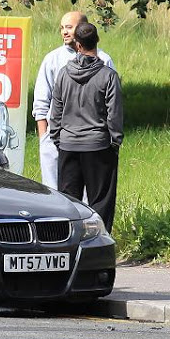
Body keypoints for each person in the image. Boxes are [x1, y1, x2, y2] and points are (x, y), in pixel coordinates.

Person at [49, 22, 123, 233]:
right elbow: (114, 114)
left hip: (68, 145)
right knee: (101, 201)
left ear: (77, 45)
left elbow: (56, 111)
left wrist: (57, 138)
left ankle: (68, 244)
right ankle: (99, 243)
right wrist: (115, 141)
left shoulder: (63, 73)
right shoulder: (108, 76)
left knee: (69, 203)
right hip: (98, 146)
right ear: (97, 41)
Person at [32, 11, 115, 190]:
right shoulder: (52, 60)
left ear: (83, 29)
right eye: (62, 28)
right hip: (55, 138)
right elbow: (41, 100)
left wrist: (111, 139)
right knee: (54, 192)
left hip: (92, 141)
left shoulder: (104, 60)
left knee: (87, 196)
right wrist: (44, 136)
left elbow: (112, 104)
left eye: (69, 27)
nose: (64, 32)